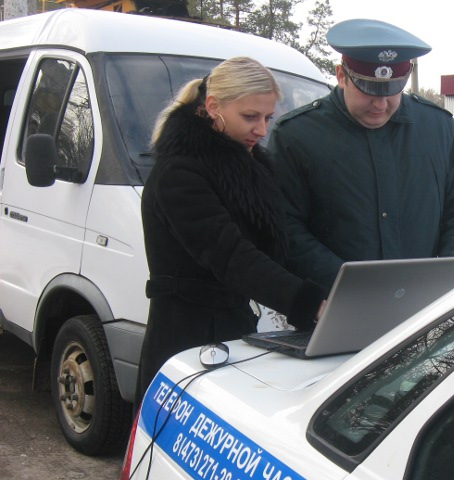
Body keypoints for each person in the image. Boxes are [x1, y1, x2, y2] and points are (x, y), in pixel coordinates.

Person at [136, 57, 326, 408]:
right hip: (187, 341)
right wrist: (309, 302)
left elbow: (274, 250)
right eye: (250, 117)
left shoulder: (247, 168)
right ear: (213, 107)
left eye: (268, 118)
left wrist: (331, 289)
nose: (262, 130)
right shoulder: (179, 173)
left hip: (233, 333)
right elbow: (231, 255)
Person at [268, 19, 454, 291]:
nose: (381, 104)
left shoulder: (437, 127)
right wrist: (348, 282)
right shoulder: (297, 135)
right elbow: (284, 226)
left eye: (392, 91)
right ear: (341, 76)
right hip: (335, 302)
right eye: (368, 90)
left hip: (425, 300)